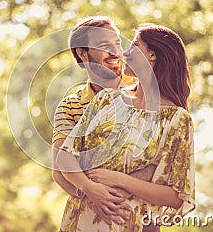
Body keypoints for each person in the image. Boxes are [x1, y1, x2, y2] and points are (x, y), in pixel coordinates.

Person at [56, 23, 195, 231]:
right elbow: (64, 157)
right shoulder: (107, 99)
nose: (124, 53)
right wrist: (90, 188)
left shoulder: (176, 119)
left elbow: (176, 196)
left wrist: (119, 179)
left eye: (133, 46)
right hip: (80, 222)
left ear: (153, 56)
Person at [52, 16, 157, 228]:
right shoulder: (70, 107)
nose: (115, 52)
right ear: (83, 54)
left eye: (117, 44)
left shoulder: (145, 94)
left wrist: (115, 195)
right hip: (88, 222)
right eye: (104, 46)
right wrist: (91, 194)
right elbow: (59, 170)